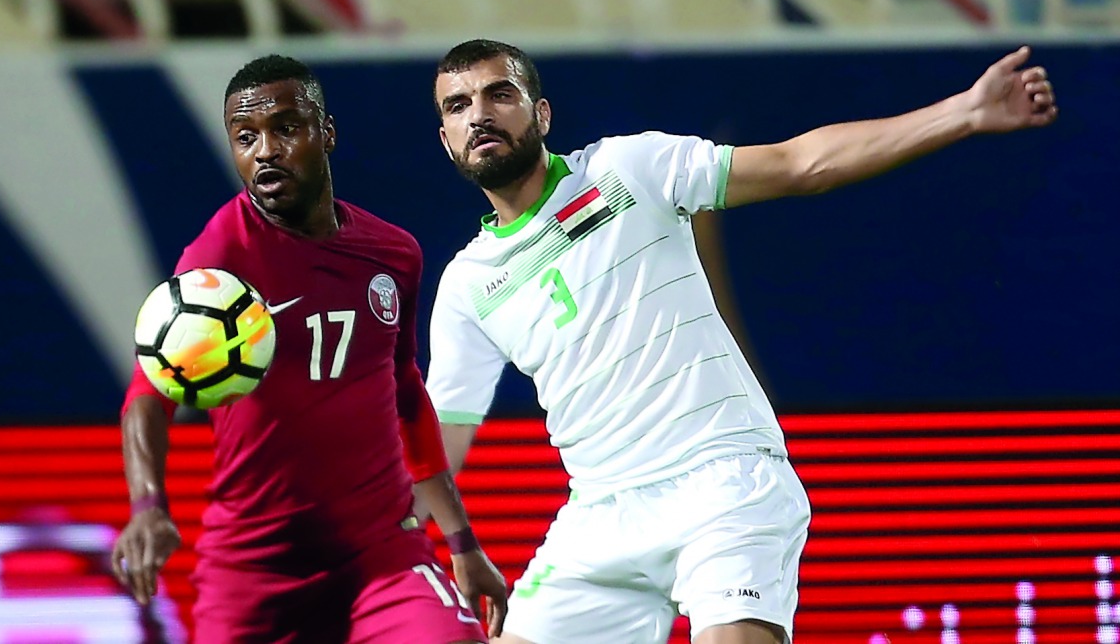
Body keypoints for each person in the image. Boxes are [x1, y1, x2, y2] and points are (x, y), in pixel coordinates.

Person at [425, 39, 1056, 644]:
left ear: (541, 113)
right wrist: (447, 543)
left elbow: (798, 164)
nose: (479, 114)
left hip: (724, 485)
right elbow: (436, 445)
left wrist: (965, 112)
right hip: (600, 516)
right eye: (458, 106)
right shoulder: (467, 285)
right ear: (446, 139)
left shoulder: (626, 168)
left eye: (499, 94)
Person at [110, 55, 507, 644]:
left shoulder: (392, 254)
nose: (264, 151)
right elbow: (148, 393)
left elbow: (403, 392)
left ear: (326, 132)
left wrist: (461, 541)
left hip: (381, 554)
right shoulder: (219, 259)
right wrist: (147, 506)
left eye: (286, 129)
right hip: (256, 570)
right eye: (246, 138)